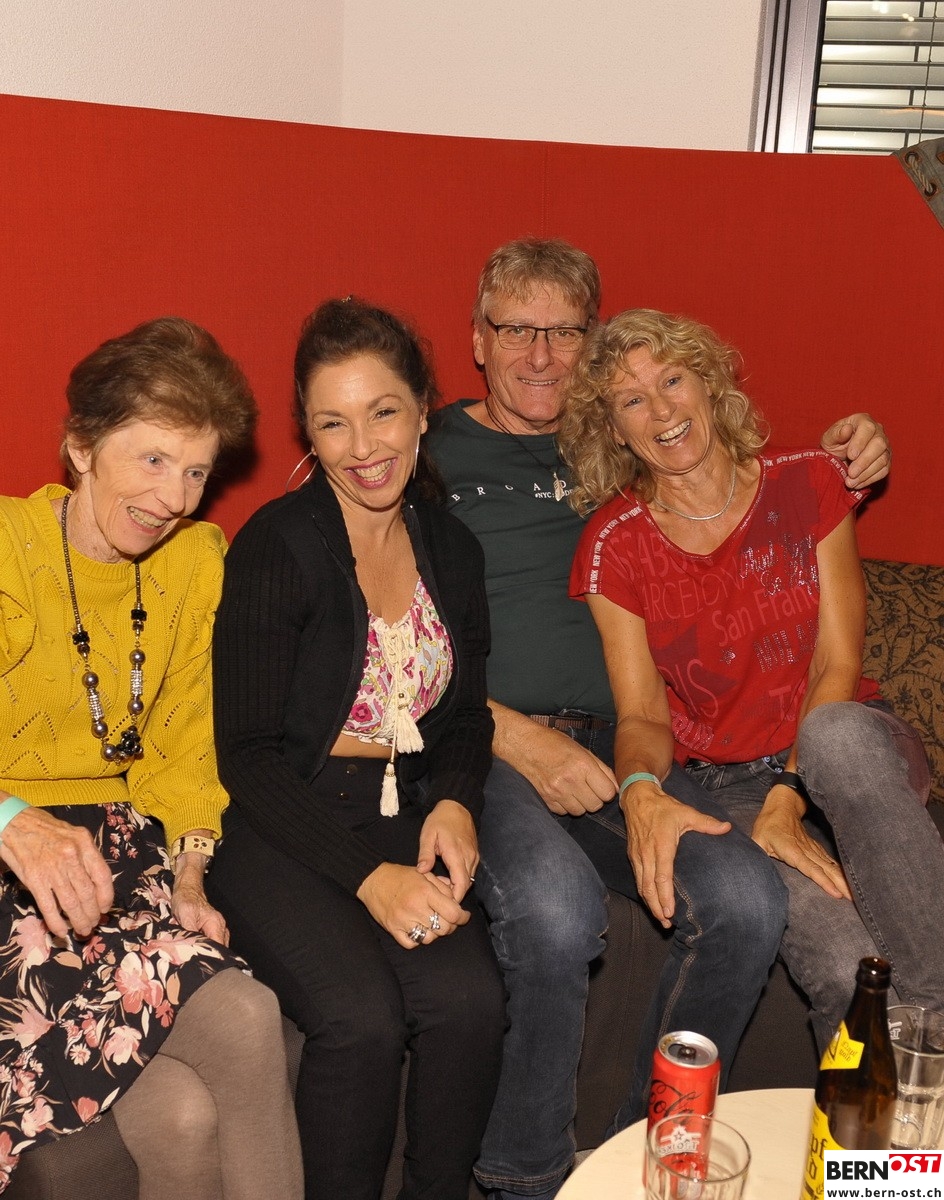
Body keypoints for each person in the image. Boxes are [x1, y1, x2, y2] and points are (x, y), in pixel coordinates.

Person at [426, 237, 895, 1200]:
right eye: (516, 329)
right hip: (493, 738)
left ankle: (637, 1150)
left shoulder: (621, 439)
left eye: (566, 333)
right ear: (477, 338)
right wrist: (512, 733)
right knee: (556, 910)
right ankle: (522, 1181)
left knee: (747, 901)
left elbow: (750, 473)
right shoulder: (423, 455)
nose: (541, 355)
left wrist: (857, 443)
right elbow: (363, 621)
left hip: (629, 742)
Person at [563, 306, 944, 1075]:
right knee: (843, 968)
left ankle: (935, 1032)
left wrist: (788, 793)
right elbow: (642, 714)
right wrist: (639, 787)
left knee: (836, 731)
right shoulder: (614, 544)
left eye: (673, 380)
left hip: (848, 749)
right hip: (727, 784)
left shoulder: (808, 482)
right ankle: (880, 1134)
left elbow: (837, 664)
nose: (662, 410)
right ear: (615, 430)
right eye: (633, 400)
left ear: (709, 383)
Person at [208, 298, 505, 1200]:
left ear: (423, 410)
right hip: (282, 826)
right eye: (333, 422)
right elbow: (247, 757)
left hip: (401, 812)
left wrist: (455, 800)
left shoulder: (452, 547)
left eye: (383, 412)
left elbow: (466, 716)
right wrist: (371, 879)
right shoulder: (277, 547)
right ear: (307, 431)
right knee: (362, 1022)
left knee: (471, 1005)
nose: (363, 446)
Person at [0, 317, 303, 1198]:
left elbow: (183, 747)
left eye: (197, 470)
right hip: (16, 881)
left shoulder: (192, 563)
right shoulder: (10, 551)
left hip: (123, 870)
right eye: (154, 459)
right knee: (245, 1015)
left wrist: (191, 874)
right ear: (81, 448)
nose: (174, 497)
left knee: (183, 1118)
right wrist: (15, 821)